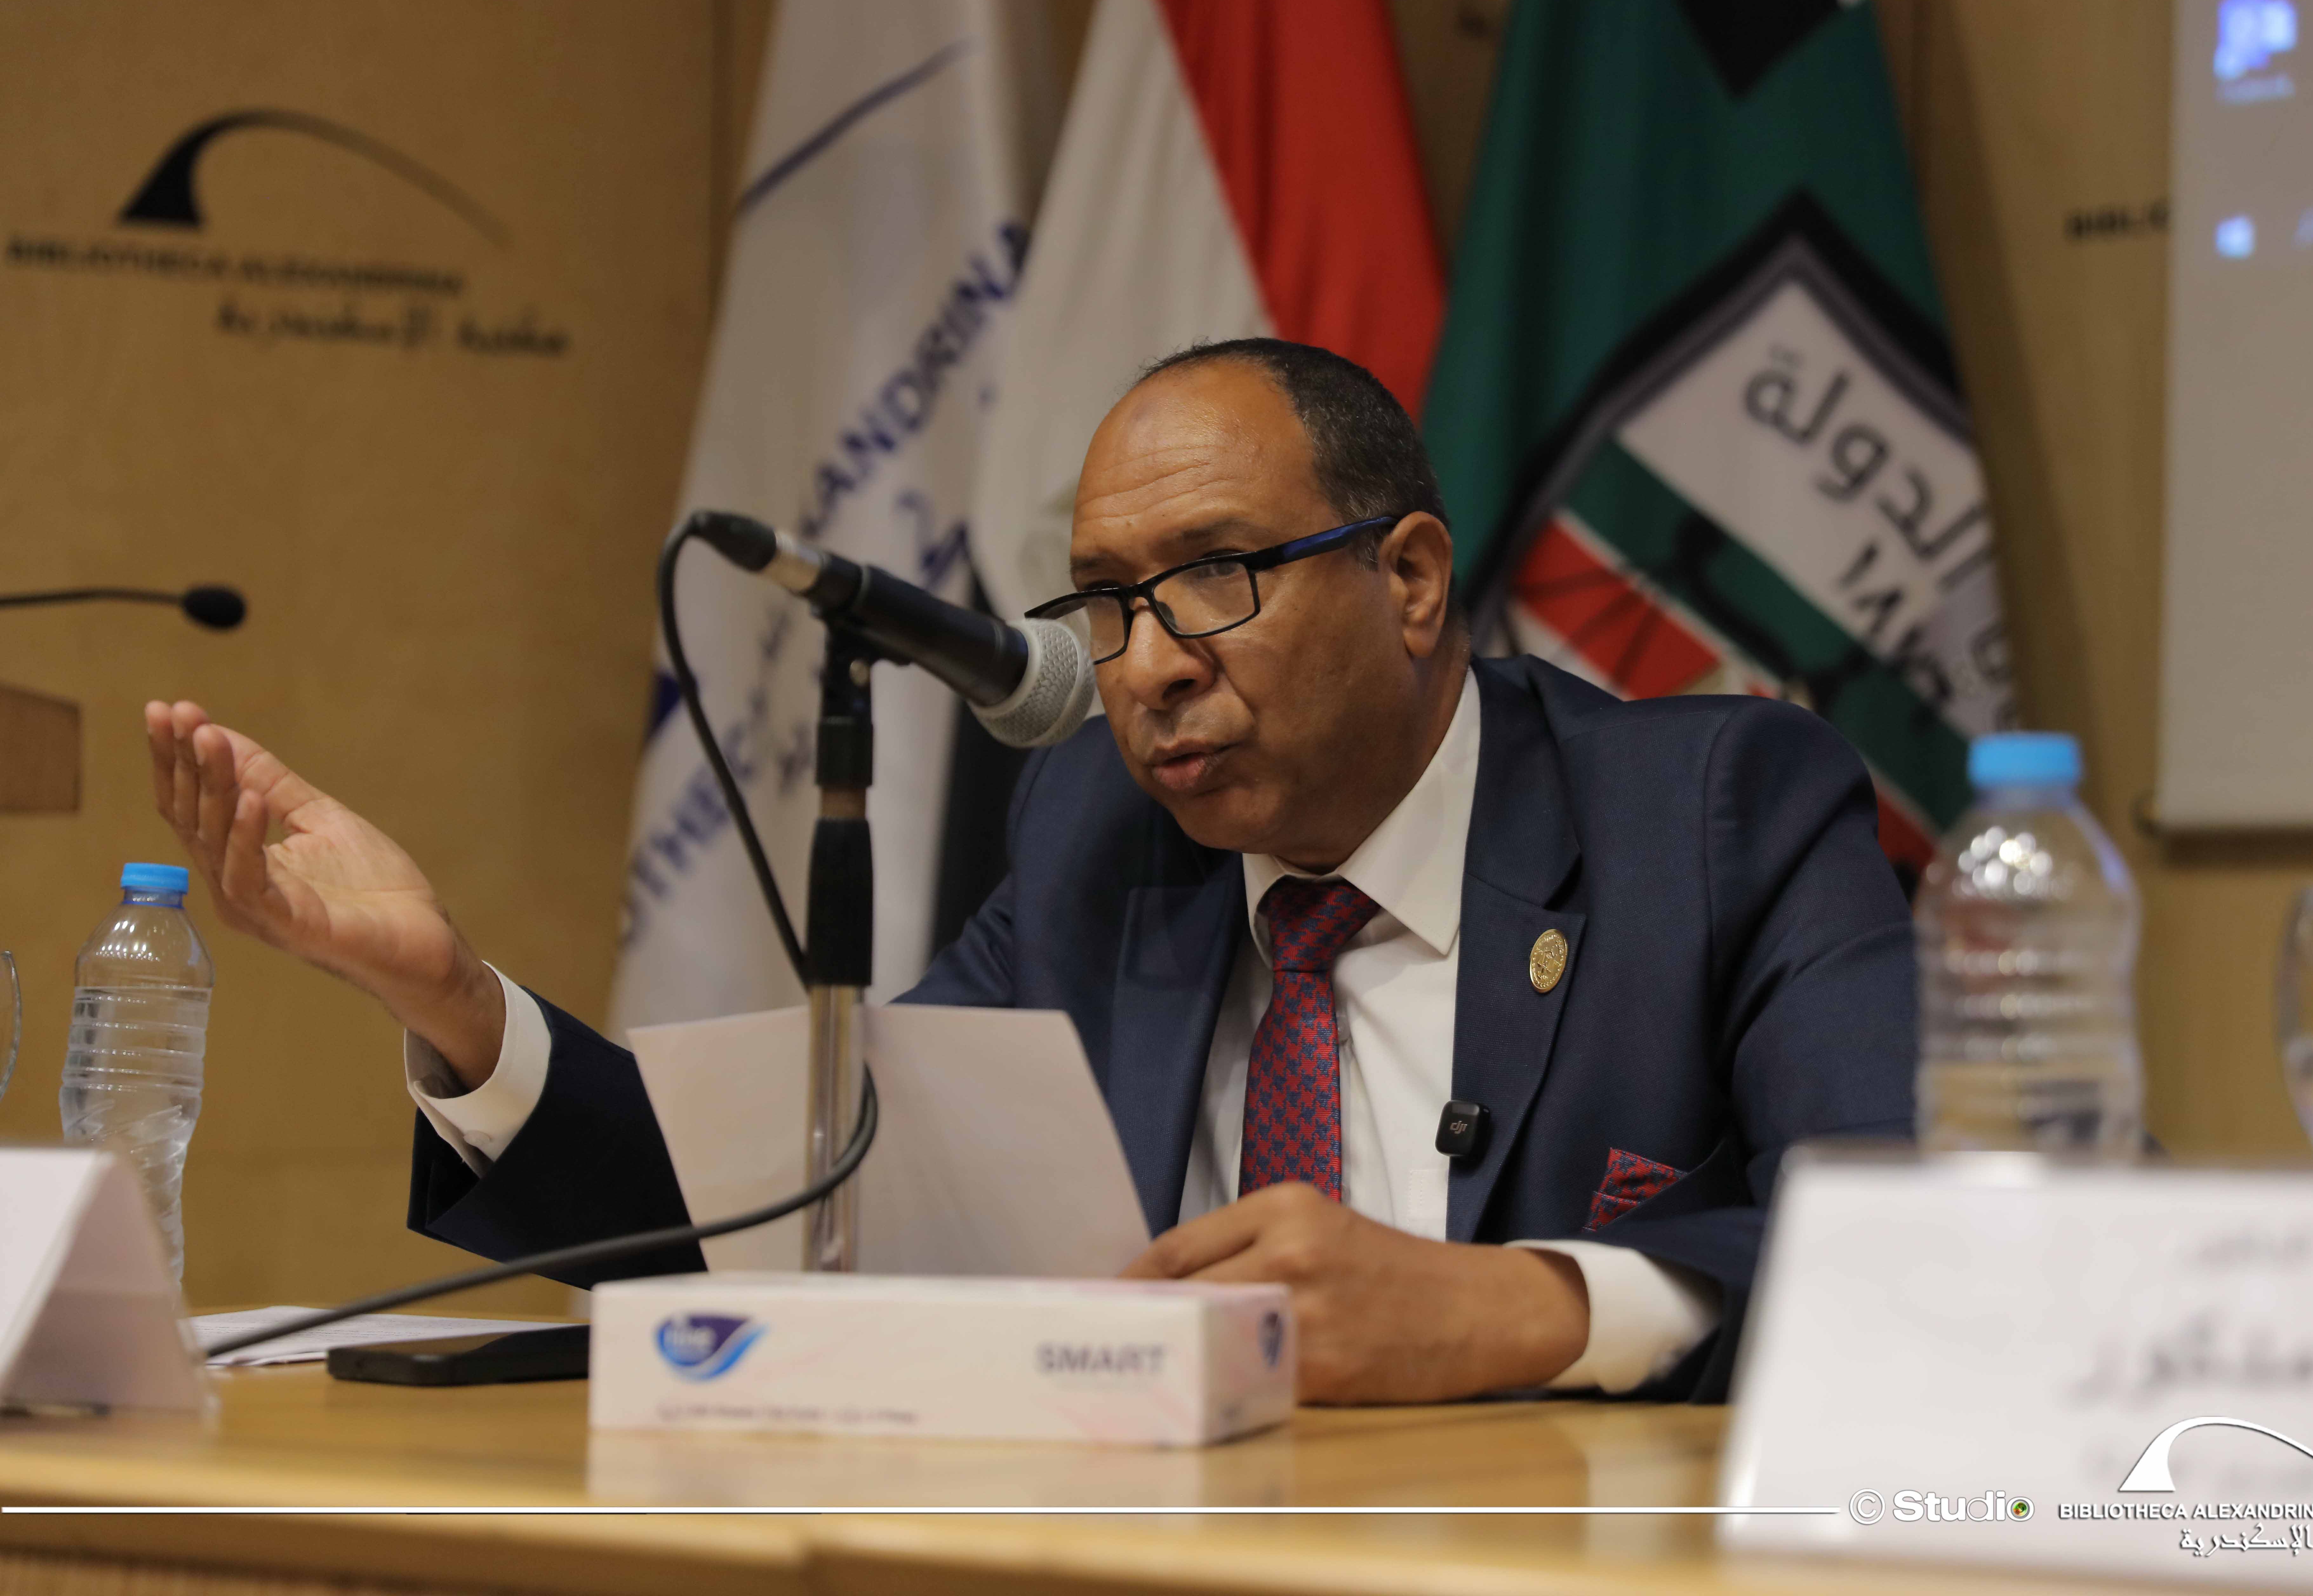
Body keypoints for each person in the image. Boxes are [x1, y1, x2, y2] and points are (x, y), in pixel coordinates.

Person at [145, 338, 1913, 1405]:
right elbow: (805, 1212)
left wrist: (1523, 1309)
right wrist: (453, 998)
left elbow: (1919, 1251)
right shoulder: (1098, 844)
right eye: (1106, 604)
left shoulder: (1716, 818)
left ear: (1412, 581)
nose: (1146, 667)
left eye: (1213, 576)